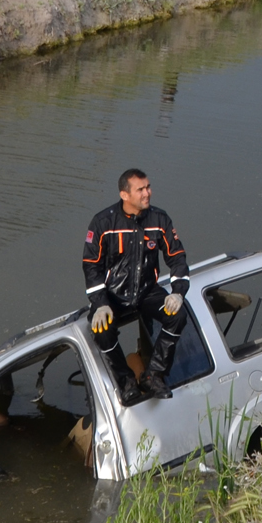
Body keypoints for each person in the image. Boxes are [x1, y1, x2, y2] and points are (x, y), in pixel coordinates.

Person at [82, 168, 192, 403]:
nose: (147, 193)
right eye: (140, 189)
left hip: (147, 293)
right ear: (124, 194)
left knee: (178, 315)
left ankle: (154, 375)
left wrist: (178, 293)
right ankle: (126, 382)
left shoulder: (160, 220)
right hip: (113, 296)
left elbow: (177, 257)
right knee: (101, 329)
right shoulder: (102, 222)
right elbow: (91, 266)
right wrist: (100, 304)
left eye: (148, 187)